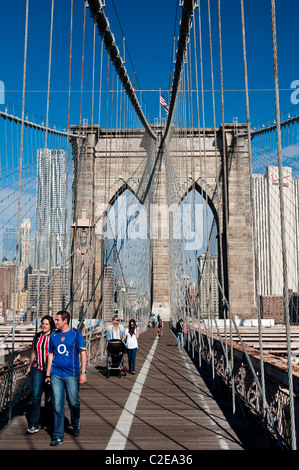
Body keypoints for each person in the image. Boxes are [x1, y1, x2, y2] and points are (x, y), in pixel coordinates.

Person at [45, 310, 87, 446]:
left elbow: (83, 353)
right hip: (56, 374)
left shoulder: (75, 334)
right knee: (57, 404)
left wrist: (83, 372)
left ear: (65, 320)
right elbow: (50, 355)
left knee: (73, 402)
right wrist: (48, 373)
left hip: (72, 374)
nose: (55, 322)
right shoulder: (54, 335)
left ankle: (75, 423)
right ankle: (58, 435)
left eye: (57, 320)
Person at [25, 315, 55, 434]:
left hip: (51, 371)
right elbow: (33, 351)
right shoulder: (37, 336)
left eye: (46, 324)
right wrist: (29, 367)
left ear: (50, 325)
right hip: (37, 369)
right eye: (43, 323)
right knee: (36, 396)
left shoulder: (54, 337)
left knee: (49, 397)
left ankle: (47, 423)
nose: (44, 325)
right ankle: (33, 424)